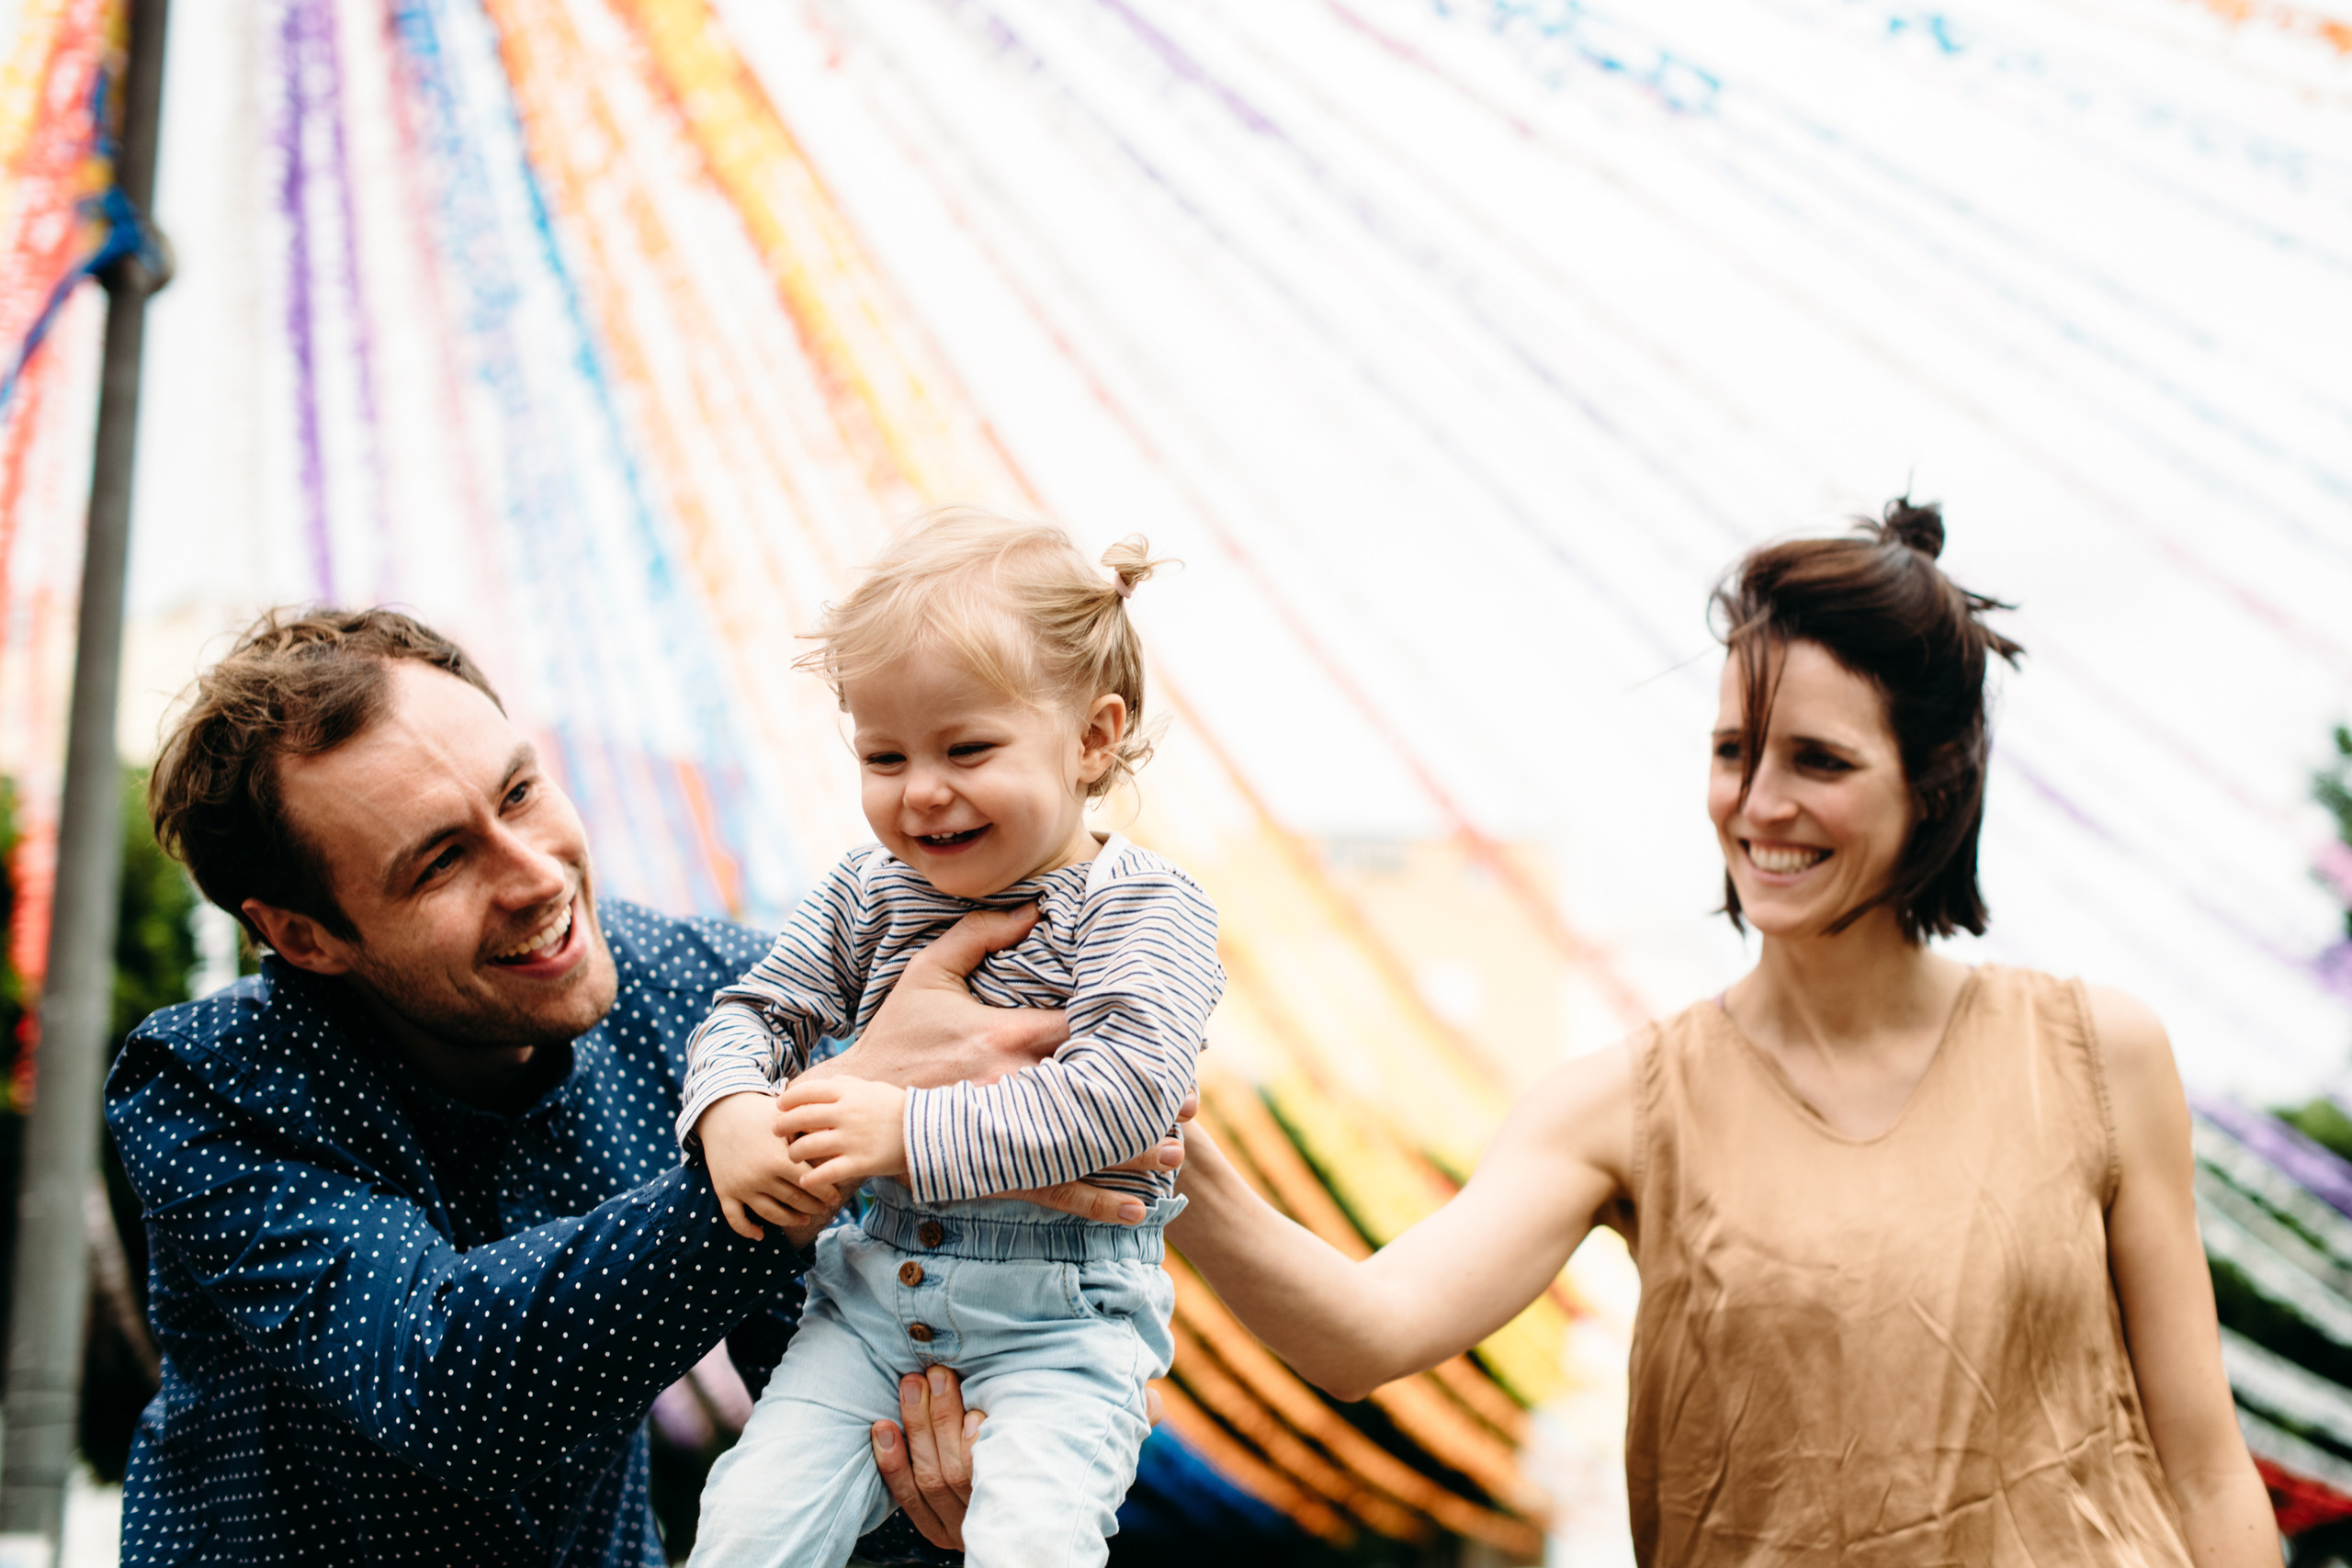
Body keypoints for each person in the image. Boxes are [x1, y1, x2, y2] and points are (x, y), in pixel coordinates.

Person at [1167, 501, 2279, 1566]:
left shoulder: (2098, 1056)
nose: (1757, 804)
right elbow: (1367, 1333)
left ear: (1934, 783)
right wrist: (1162, 1145)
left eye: (1819, 760)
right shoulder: (1620, 1107)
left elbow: (2205, 1474)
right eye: (1735, 751)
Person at [108, 606, 1167, 1566]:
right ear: (304, 936)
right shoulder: (206, 1084)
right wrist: (826, 1132)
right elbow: (446, 1385)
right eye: (439, 862)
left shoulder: (707, 995)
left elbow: (840, 1368)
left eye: (520, 793)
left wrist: (933, 1476)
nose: (536, 874)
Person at [681, 512, 1222, 1568]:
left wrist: (905, 1130)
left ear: (1092, 738)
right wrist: (732, 1110)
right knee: (746, 1527)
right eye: (883, 756)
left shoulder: (1145, 906)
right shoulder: (868, 890)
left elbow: (1126, 1093)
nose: (921, 790)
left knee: (1031, 1542)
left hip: (1061, 1323)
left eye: (966, 748)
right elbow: (757, 1011)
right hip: (870, 1307)